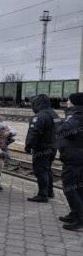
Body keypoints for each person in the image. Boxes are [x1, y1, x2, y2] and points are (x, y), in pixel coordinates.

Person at [25, 94, 60, 203]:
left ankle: (42, 195)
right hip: (53, 147)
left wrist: (29, 146)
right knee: (47, 170)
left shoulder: (39, 116)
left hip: (42, 148)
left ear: (37, 104)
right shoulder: (55, 114)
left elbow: (34, 133)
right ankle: (50, 192)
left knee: (40, 171)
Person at [57, 93, 83, 231]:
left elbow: (64, 130)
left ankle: (79, 218)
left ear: (74, 102)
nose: (67, 102)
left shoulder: (75, 115)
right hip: (78, 157)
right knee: (78, 188)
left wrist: (64, 120)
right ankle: (75, 214)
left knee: (70, 187)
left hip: (74, 158)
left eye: (68, 100)